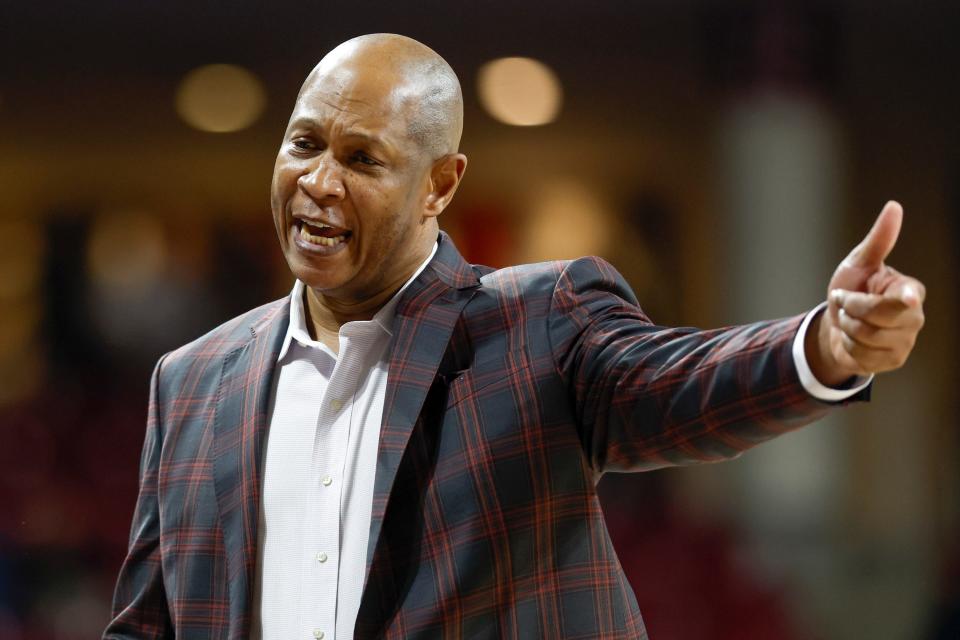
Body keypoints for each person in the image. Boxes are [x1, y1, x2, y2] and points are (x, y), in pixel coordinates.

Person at [103, 33, 926, 640]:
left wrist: (827, 346)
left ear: (439, 185)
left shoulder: (538, 320)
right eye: (305, 144)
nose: (318, 181)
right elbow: (149, 621)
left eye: (362, 159)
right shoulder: (192, 380)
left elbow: (679, 386)